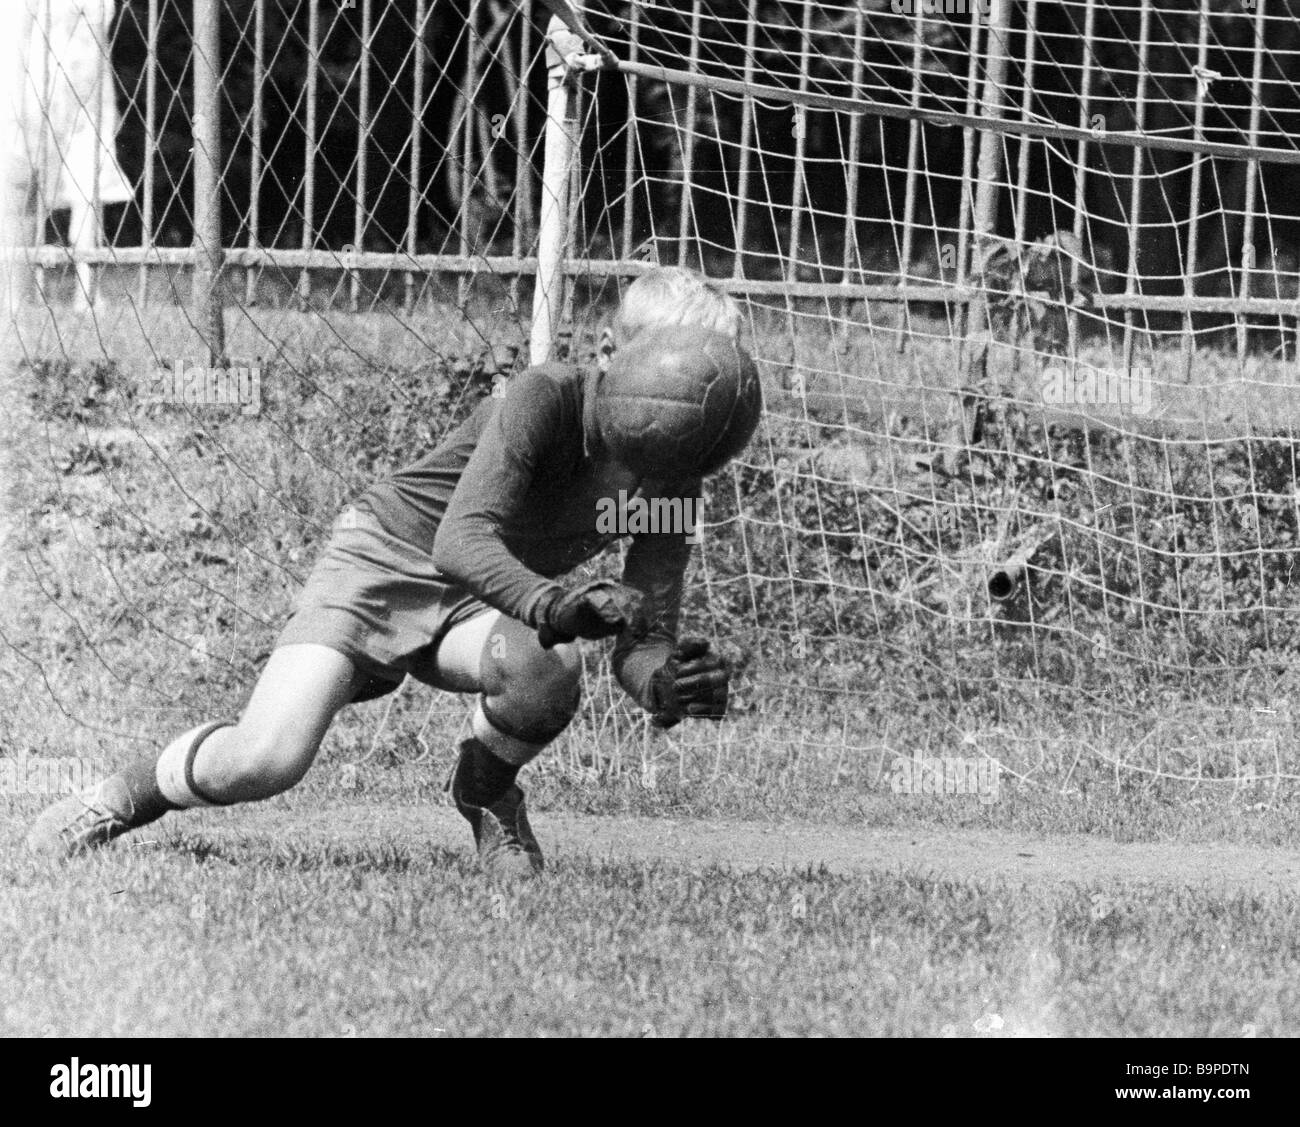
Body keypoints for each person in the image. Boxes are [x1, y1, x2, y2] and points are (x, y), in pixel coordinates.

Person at [27, 266, 764, 880]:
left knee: (551, 667)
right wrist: (557, 604)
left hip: (481, 605)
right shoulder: (542, 399)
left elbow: (645, 632)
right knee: (264, 761)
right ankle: (128, 791)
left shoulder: (673, 479)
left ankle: (486, 795)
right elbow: (462, 540)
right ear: (611, 349)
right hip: (383, 561)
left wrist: (663, 683)